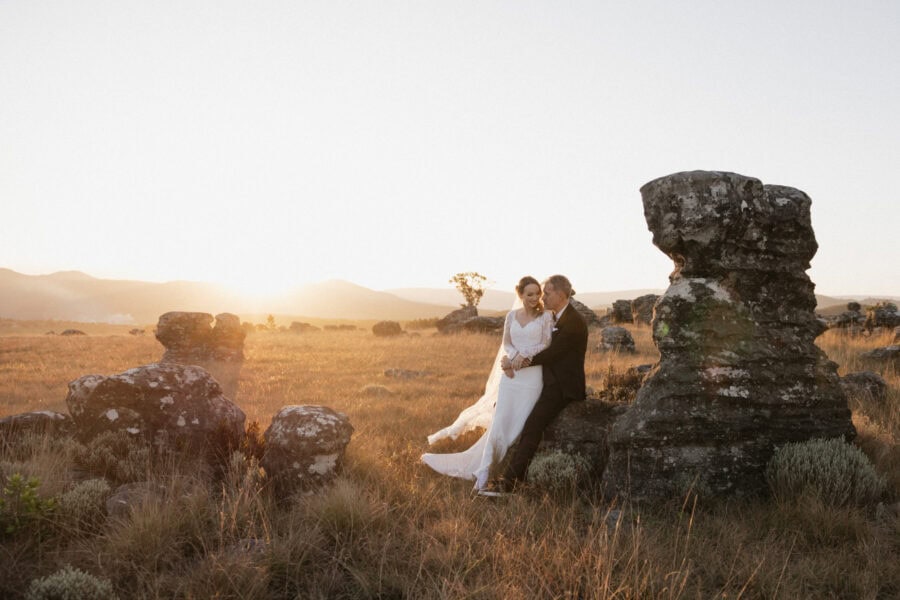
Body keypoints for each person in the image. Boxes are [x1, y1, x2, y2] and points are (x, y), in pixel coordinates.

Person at [421, 276, 554, 491]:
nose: (534, 298)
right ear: (520, 294)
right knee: (500, 422)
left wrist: (524, 356)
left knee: (517, 425)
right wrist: (512, 358)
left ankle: (498, 468)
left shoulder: (546, 316)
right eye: (529, 294)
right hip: (510, 378)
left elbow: (546, 343)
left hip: (531, 378)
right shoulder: (512, 316)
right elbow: (506, 343)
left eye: (537, 294)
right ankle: (482, 473)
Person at [486, 274, 588, 495]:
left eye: (547, 293)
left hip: (562, 387)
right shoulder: (557, 316)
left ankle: (509, 482)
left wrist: (518, 362)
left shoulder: (574, 321)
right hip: (547, 380)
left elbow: (551, 353)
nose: (543, 297)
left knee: (533, 426)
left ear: (560, 295)